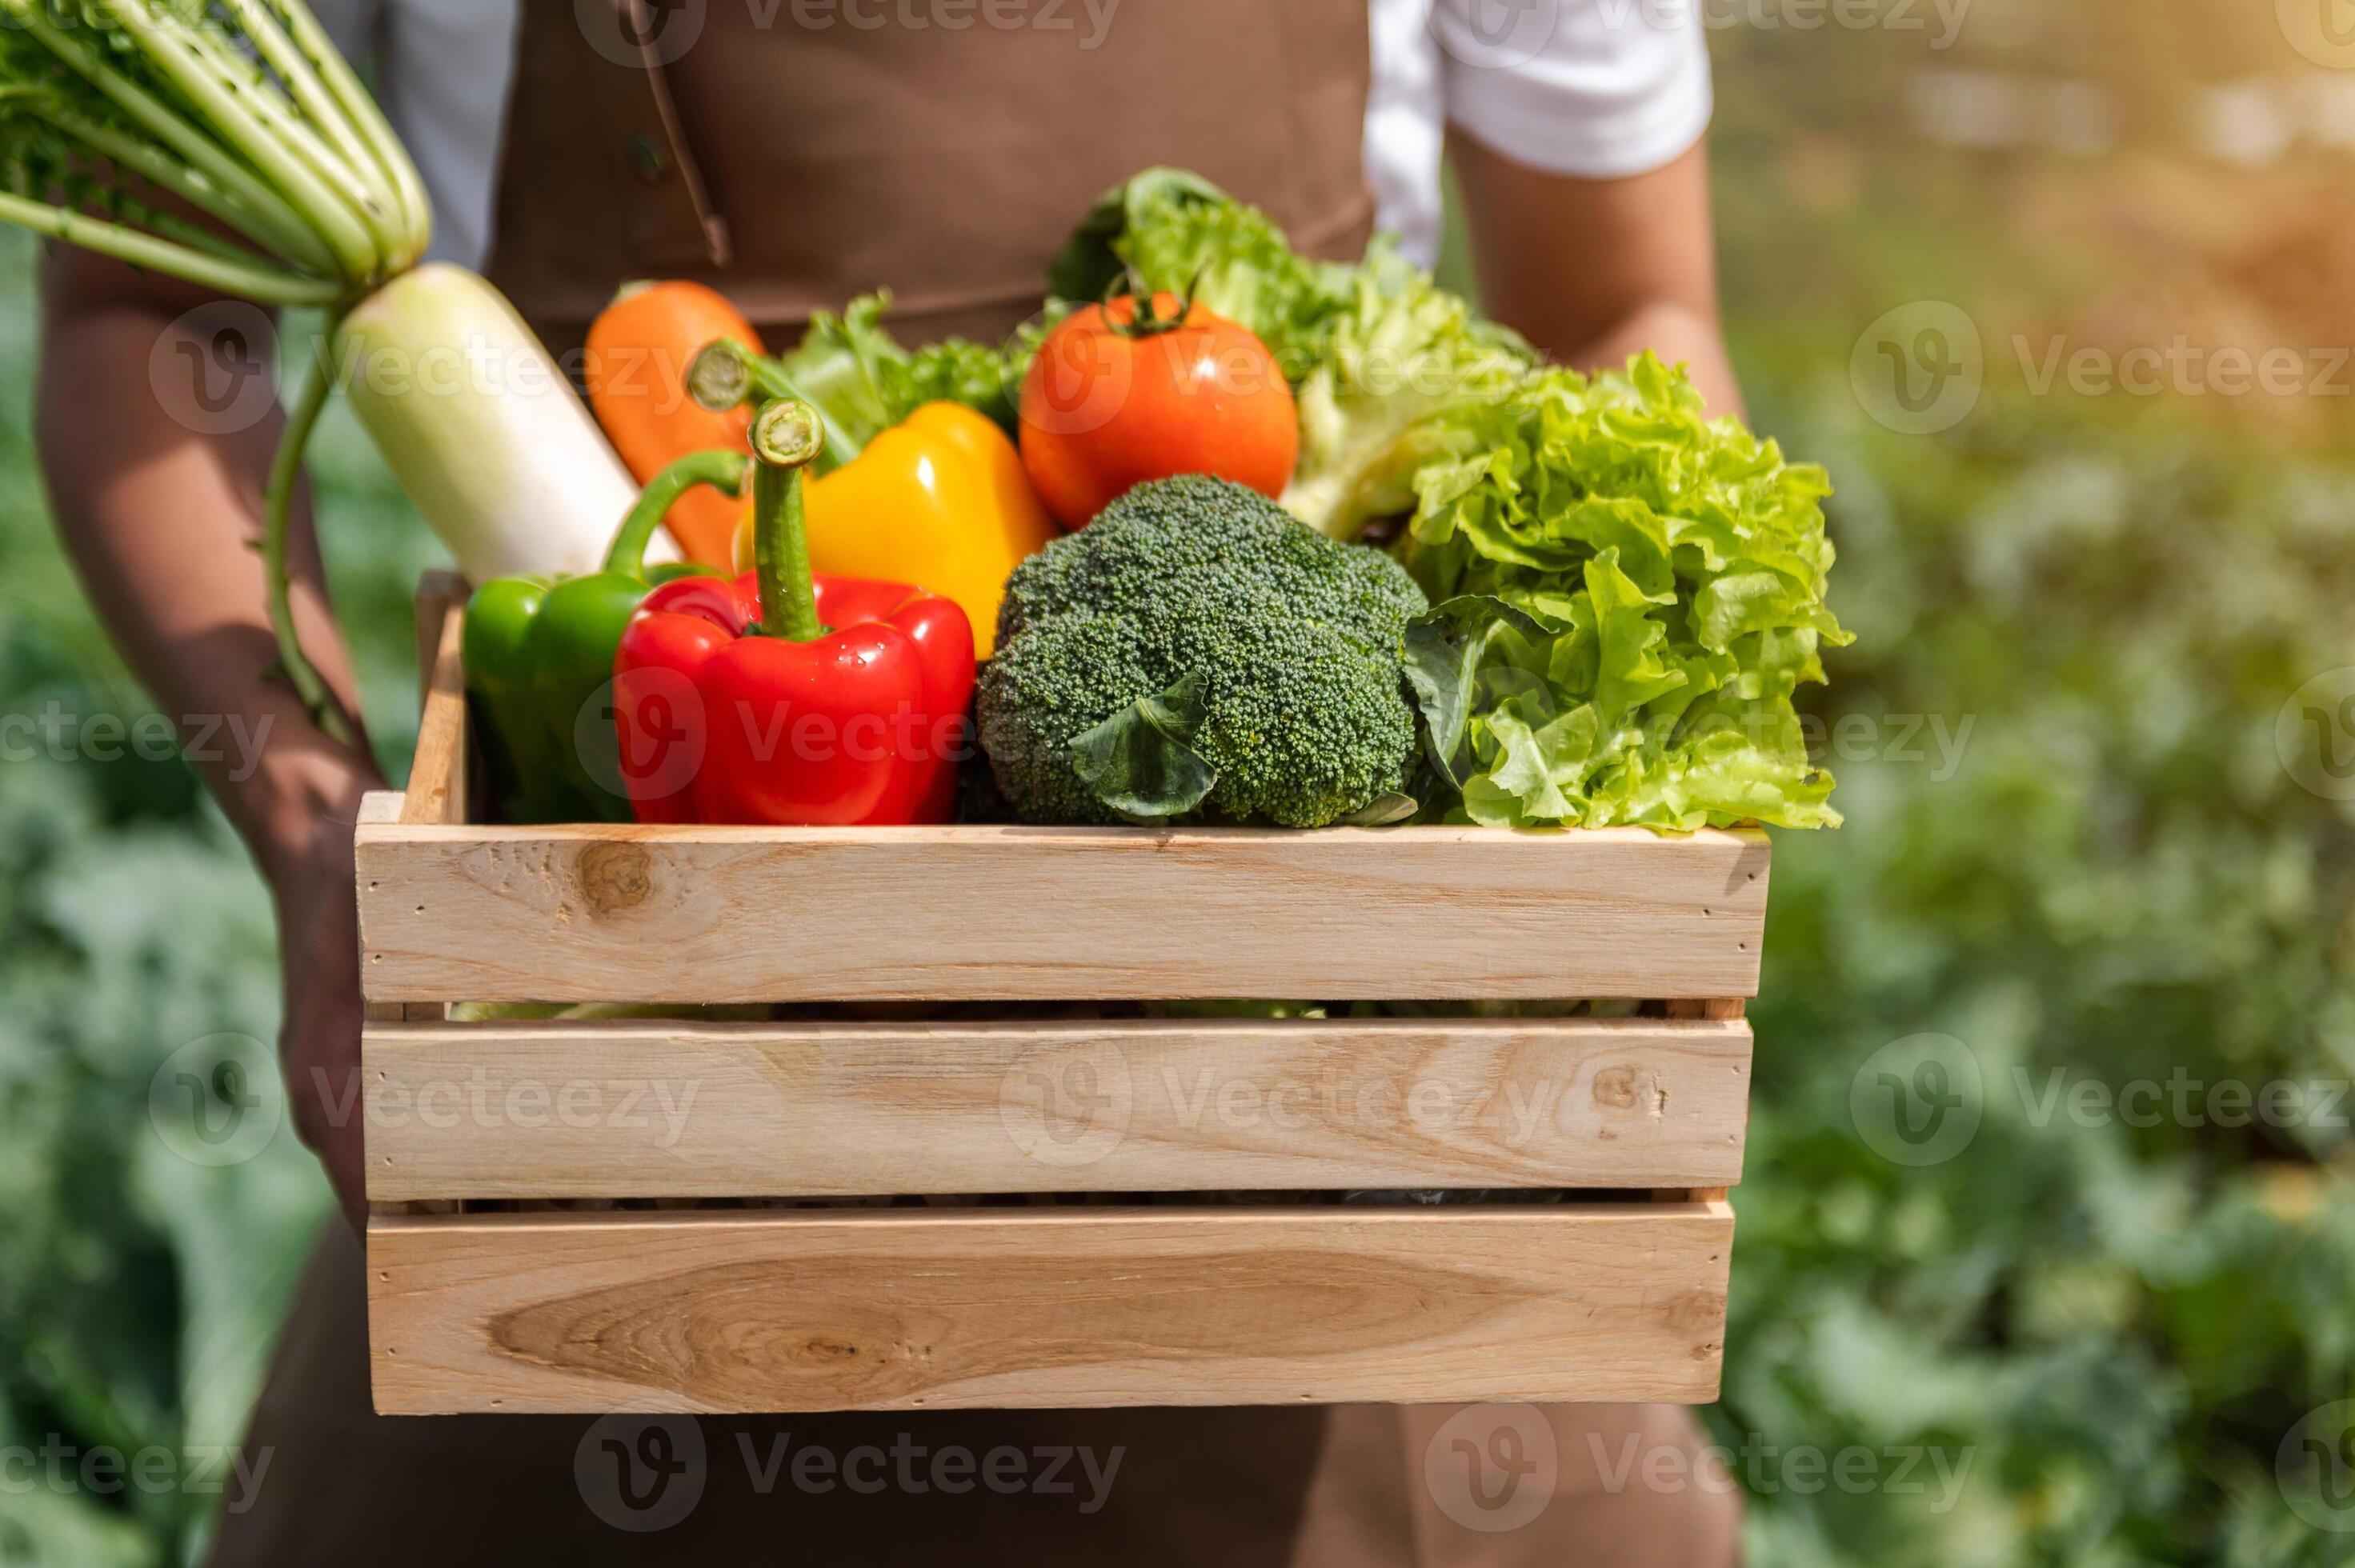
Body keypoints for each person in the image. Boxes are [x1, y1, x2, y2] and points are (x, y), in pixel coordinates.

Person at [36, 2, 1747, 1562]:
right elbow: (146, 308)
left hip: (1327, 1121)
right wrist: (313, 818)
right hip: (612, 1095)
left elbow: (1618, 300)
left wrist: (1628, 818)